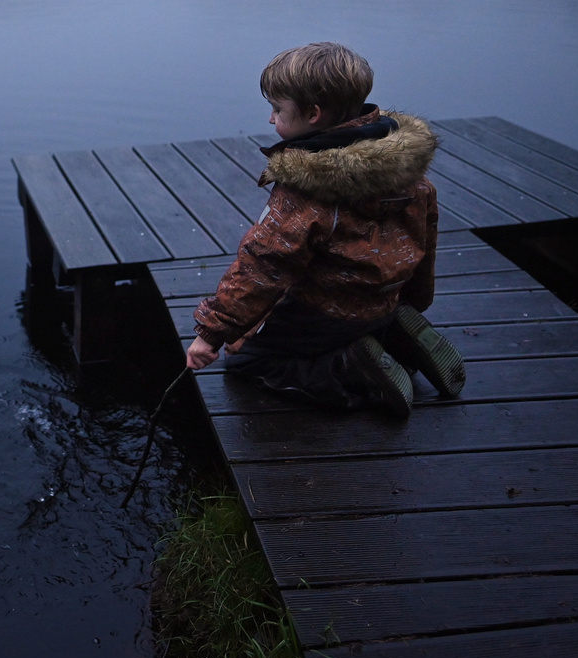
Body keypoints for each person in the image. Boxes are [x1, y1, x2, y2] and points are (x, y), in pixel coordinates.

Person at [184, 42, 464, 418]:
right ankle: (395, 334)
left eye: (278, 110)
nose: (271, 120)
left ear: (313, 114)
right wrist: (412, 300)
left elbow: (264, 266)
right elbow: (424, 239)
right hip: (385, 300)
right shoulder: (410, 172)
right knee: (349, 318)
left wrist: (211, 334)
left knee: (247, 361)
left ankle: (348, 367)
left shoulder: (307, 189)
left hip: (328, 313)